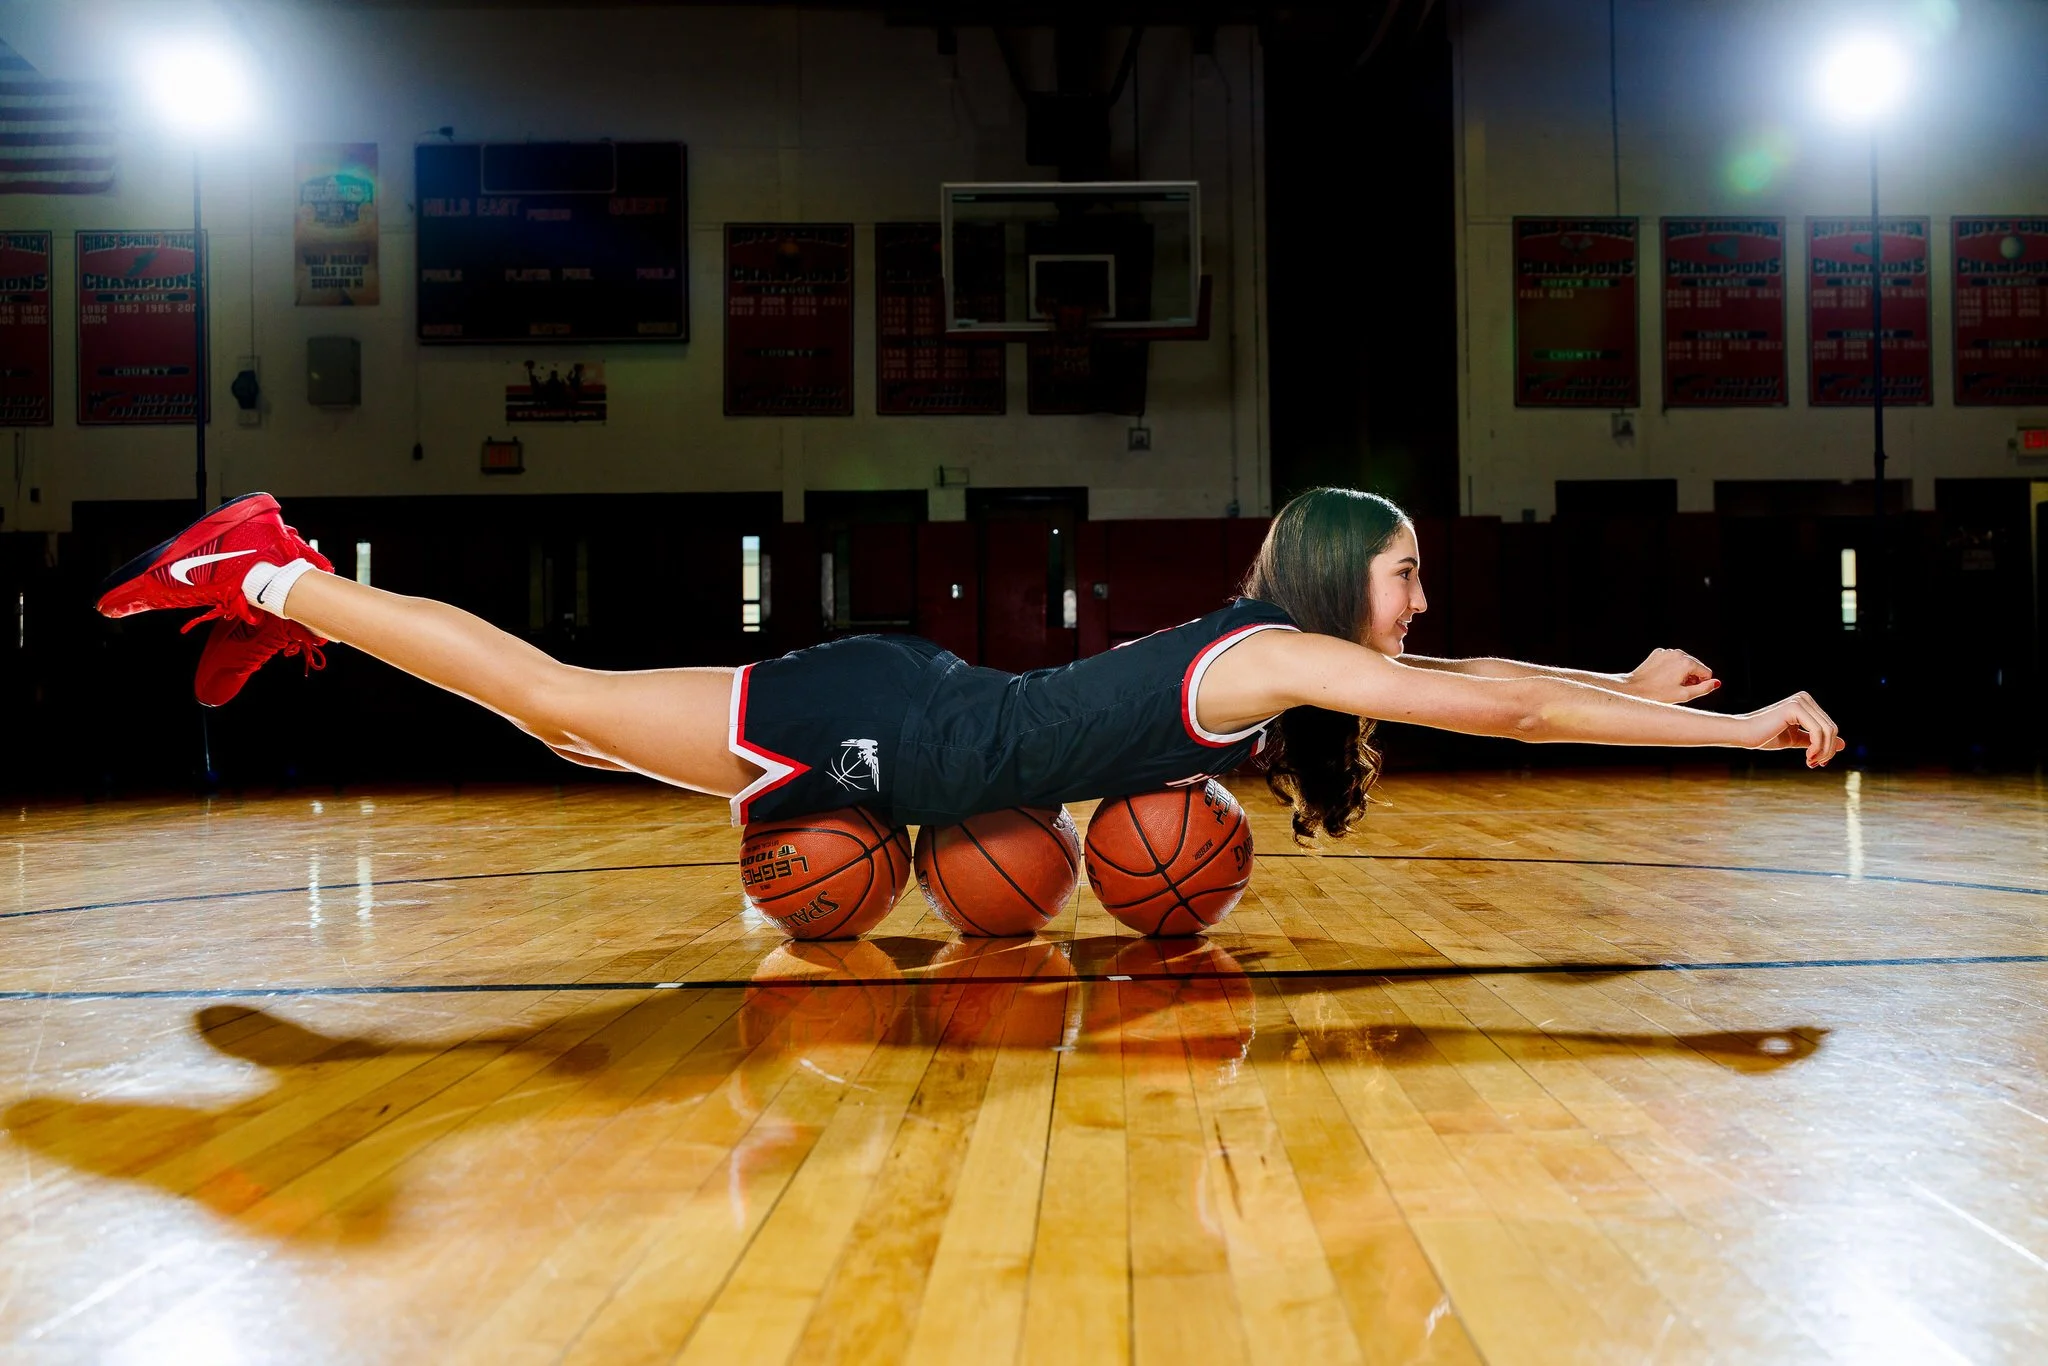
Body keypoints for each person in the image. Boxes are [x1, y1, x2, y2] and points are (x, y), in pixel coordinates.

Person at [97, 487, 1843, 843]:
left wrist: (1628, 673)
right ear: (1335, 576)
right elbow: (1508, 705)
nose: (1418, 598)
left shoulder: (1285, 653)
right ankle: (273, 571)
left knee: (574, 743)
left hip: (913, 727)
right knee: (560, 701)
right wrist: (1751, 723)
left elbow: (1508, 672)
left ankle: (281, 598)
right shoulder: (1278, 660)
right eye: (1403, 571)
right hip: (892, 719)